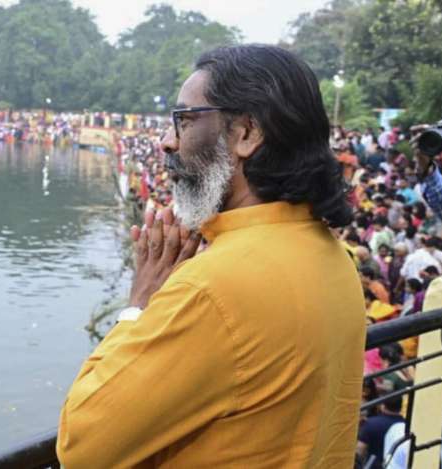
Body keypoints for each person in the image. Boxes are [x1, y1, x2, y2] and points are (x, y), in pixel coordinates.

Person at [57, 45, 365, 468]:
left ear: (246, 134)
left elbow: (80, 448)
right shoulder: (334, 257)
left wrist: (140, 306)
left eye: (183, 120)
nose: (167, 142)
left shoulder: (212, 288)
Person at [357, 396, 406, 469]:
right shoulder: (406, 426)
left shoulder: (371, 424)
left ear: (383, 406)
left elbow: (360, 450)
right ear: (401, 406)